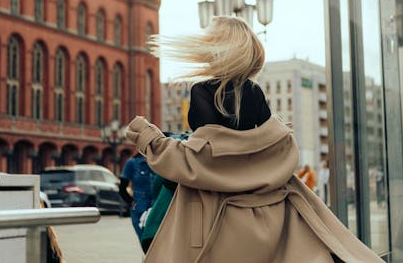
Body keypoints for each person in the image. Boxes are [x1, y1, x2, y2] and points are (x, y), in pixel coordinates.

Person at [126, 16, 384, 262]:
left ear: (217, 47)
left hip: (214, 221)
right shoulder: (254, 92)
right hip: (266, 218)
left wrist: (150, 138)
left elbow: (203, 160)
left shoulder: (202, 92)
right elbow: (262, 148)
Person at [119, 153, 154, 246]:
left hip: (157, 206)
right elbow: (122, 187)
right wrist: (131, 202)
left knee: (157, 244)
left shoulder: (159, 160)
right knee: (145, 243)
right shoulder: (132, 163)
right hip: (139, 207)